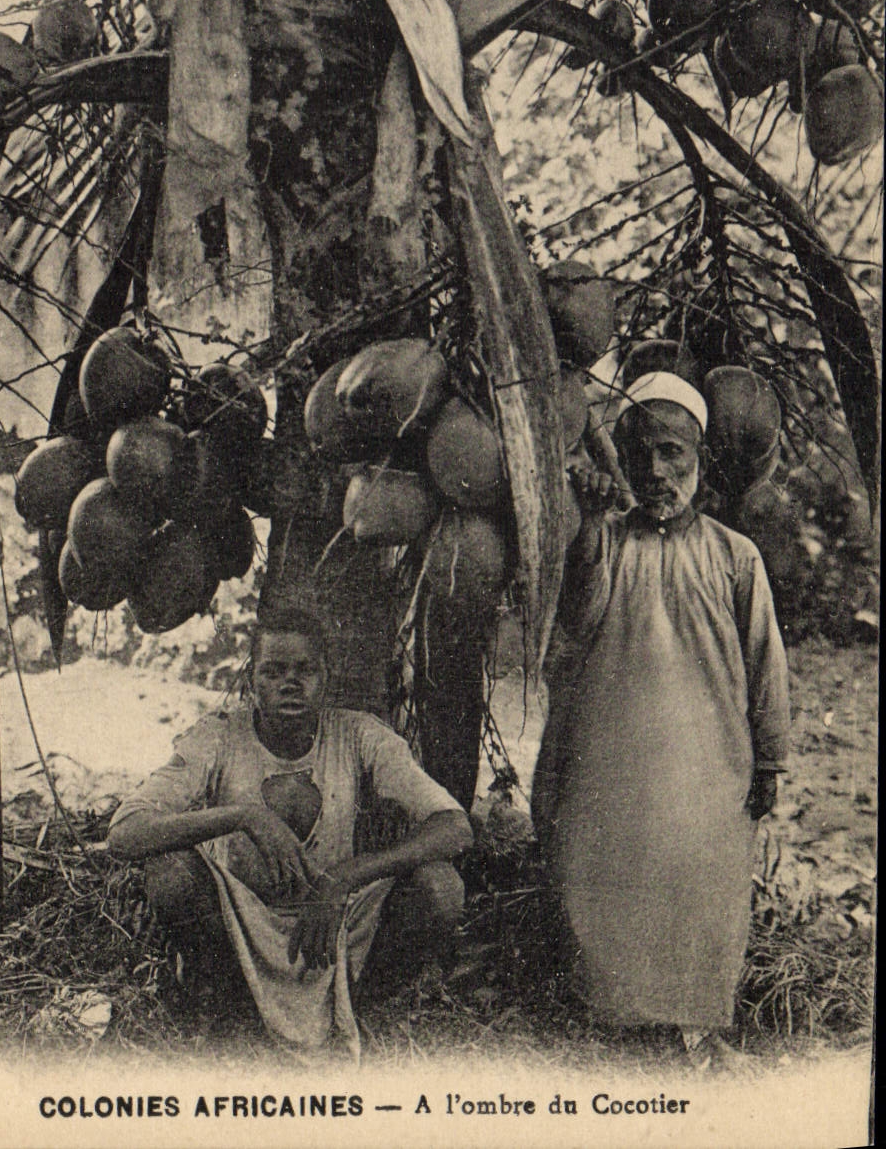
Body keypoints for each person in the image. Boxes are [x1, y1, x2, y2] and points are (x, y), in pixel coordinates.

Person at [532, 371, 790, 1051]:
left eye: (673, 452)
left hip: (710, 771)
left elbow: (766, 664)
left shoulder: (736, 558)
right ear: (622, 454)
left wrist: (771, 760)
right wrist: (587, 525)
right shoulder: (607, 542)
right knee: (606, 883)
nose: (656, 470)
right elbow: (578, 619)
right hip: (614, 762)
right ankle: (614, 1023)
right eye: (642, 451)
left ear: (700, 461)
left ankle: (694, 1029)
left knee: (702, 890)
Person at [109, 605, 473, 1054]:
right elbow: (125, 832)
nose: (290, 683)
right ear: (250, 682)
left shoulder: (358, 735)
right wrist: (242, 816)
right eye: (273, 671)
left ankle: (362, 1004)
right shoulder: (219, 735)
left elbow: (454, 826)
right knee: (170, 874)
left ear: (327, 680)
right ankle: (231, 1006)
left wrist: (345, 877)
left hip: (336, 926)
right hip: (242, 923)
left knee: (441, 887)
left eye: (305, 671)